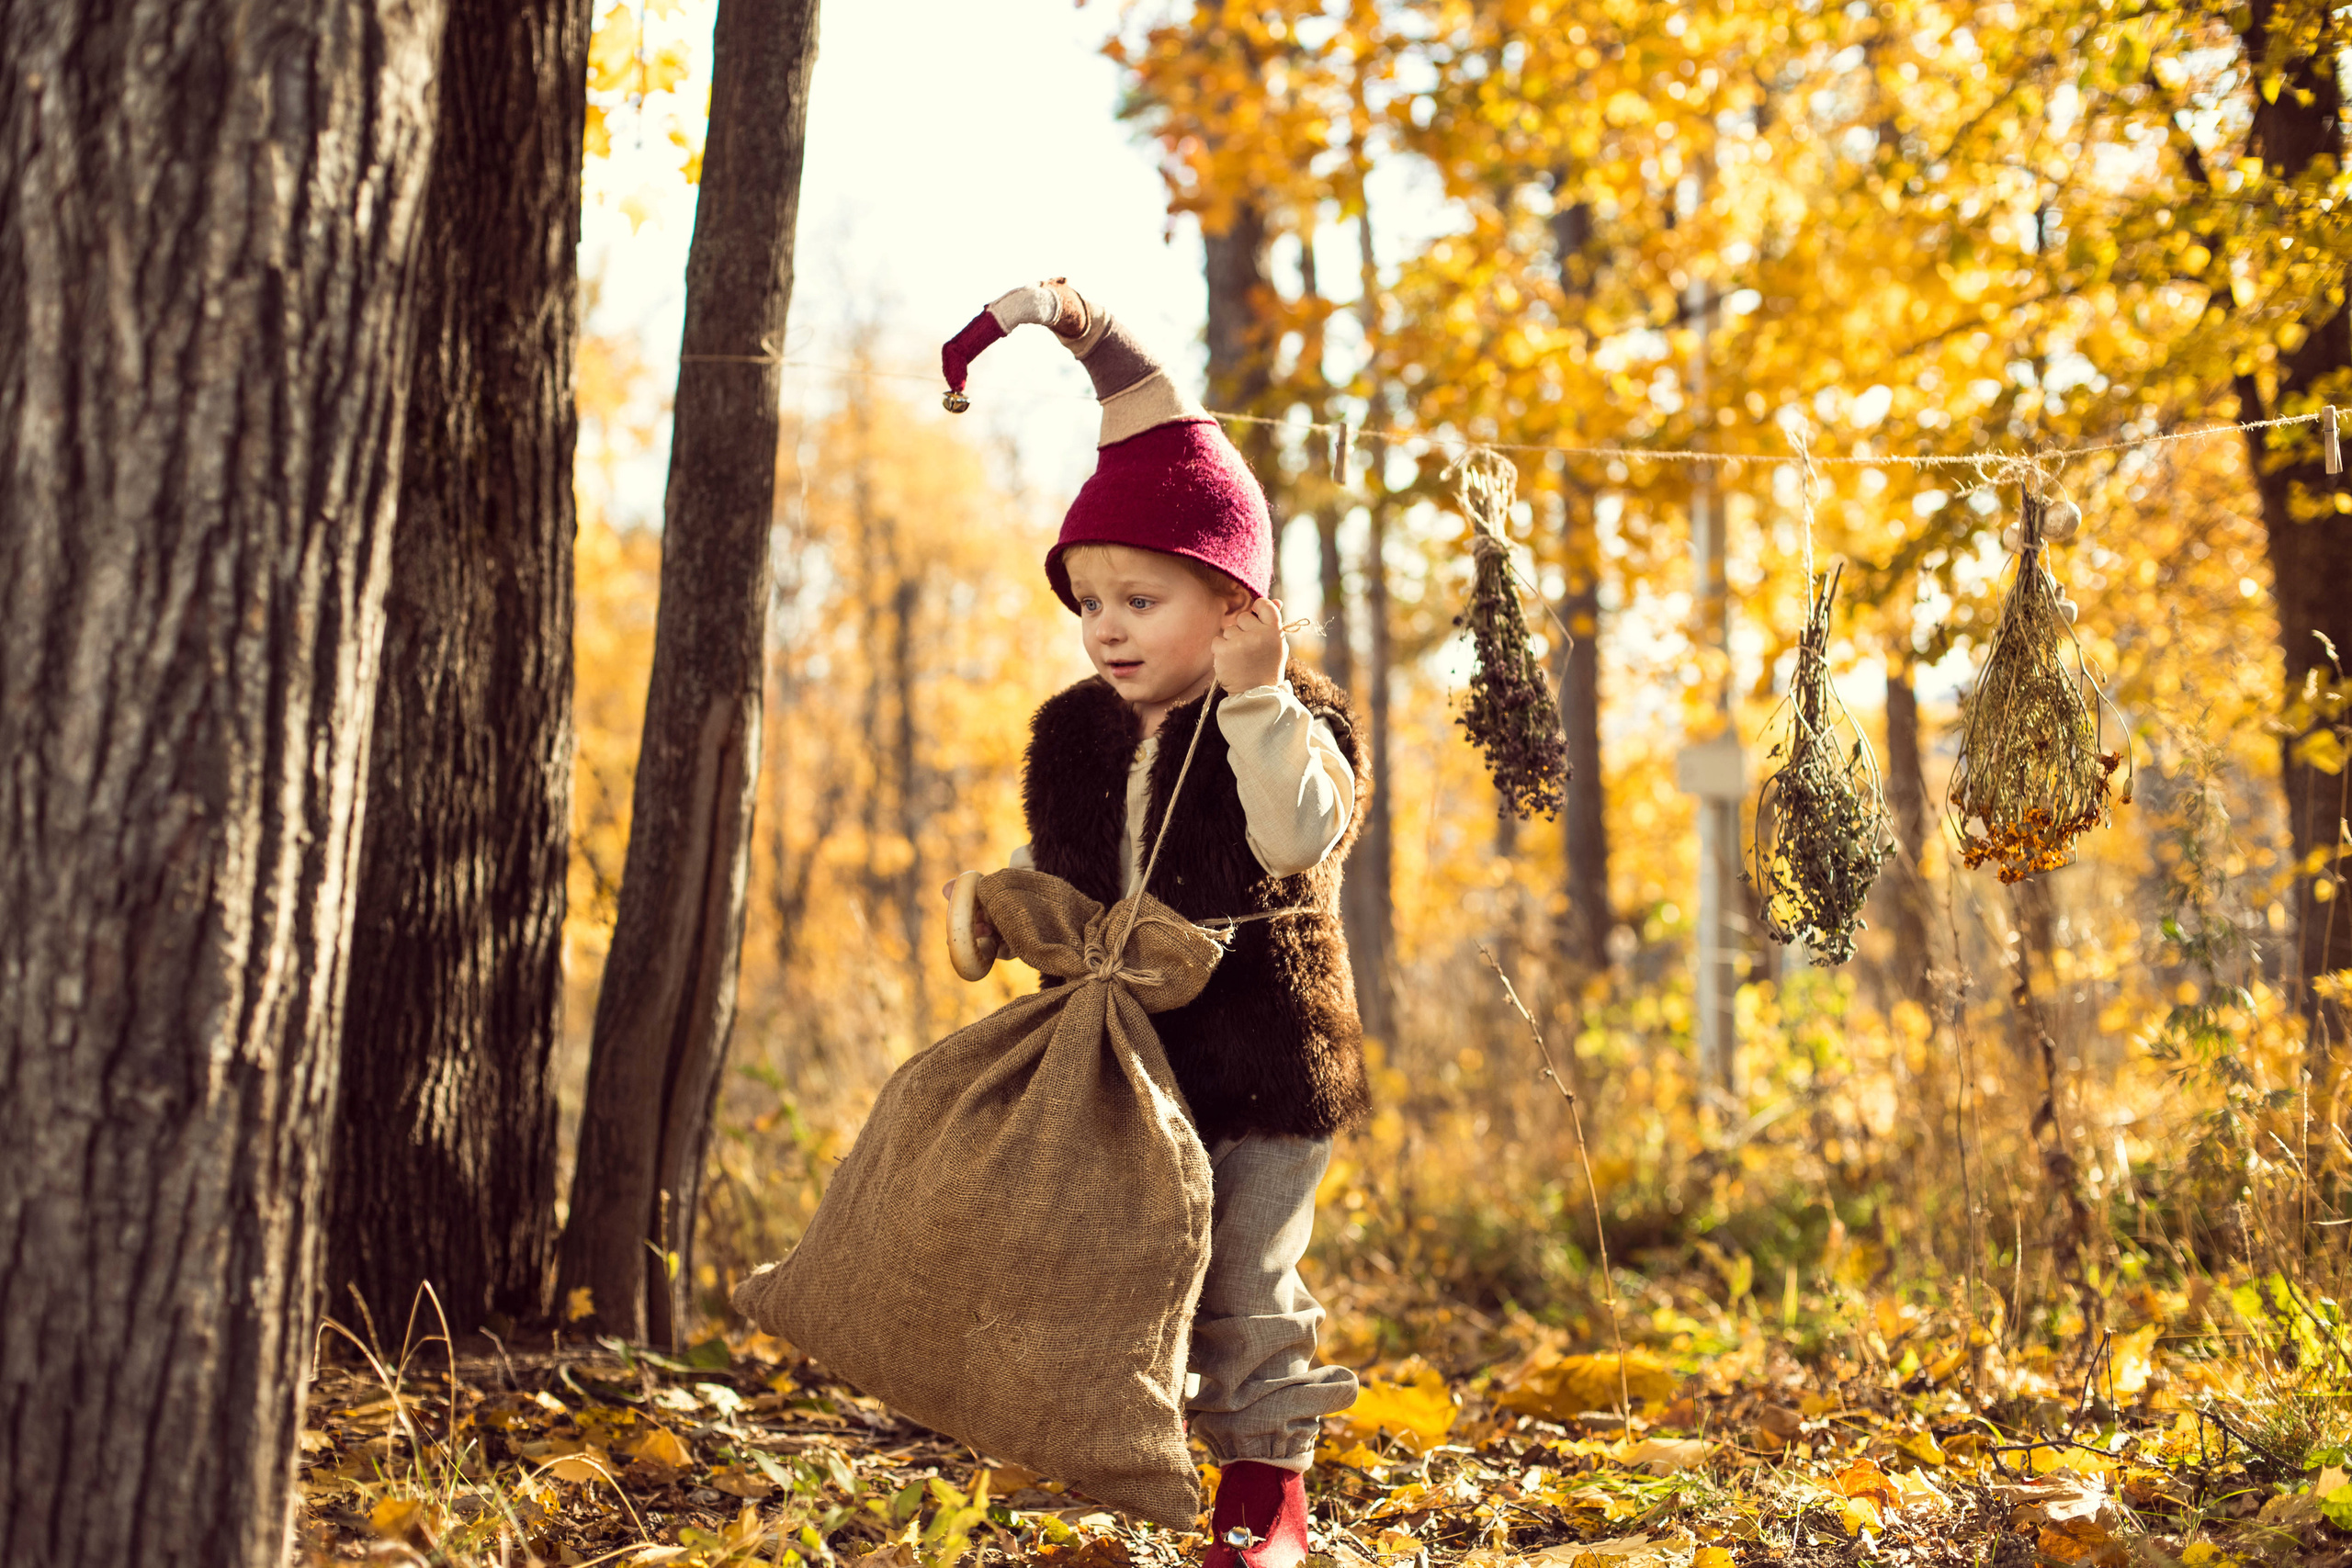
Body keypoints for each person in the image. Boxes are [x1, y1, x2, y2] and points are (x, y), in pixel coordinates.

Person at [941, 280, 1372, 1568]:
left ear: (1234, 602)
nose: (1109, 628)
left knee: (1245, 1275)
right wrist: (1003, 906)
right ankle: (1130, 1460)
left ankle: (1265, 1493)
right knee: (1121, 1270)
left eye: (1143, 599)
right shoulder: (1071, 732)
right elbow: (1064, 867)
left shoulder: (1294, 711)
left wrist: (1254, 703)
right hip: (1129, 1061)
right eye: (1090, 601)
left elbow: (1301, 838)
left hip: (1260, 1053)